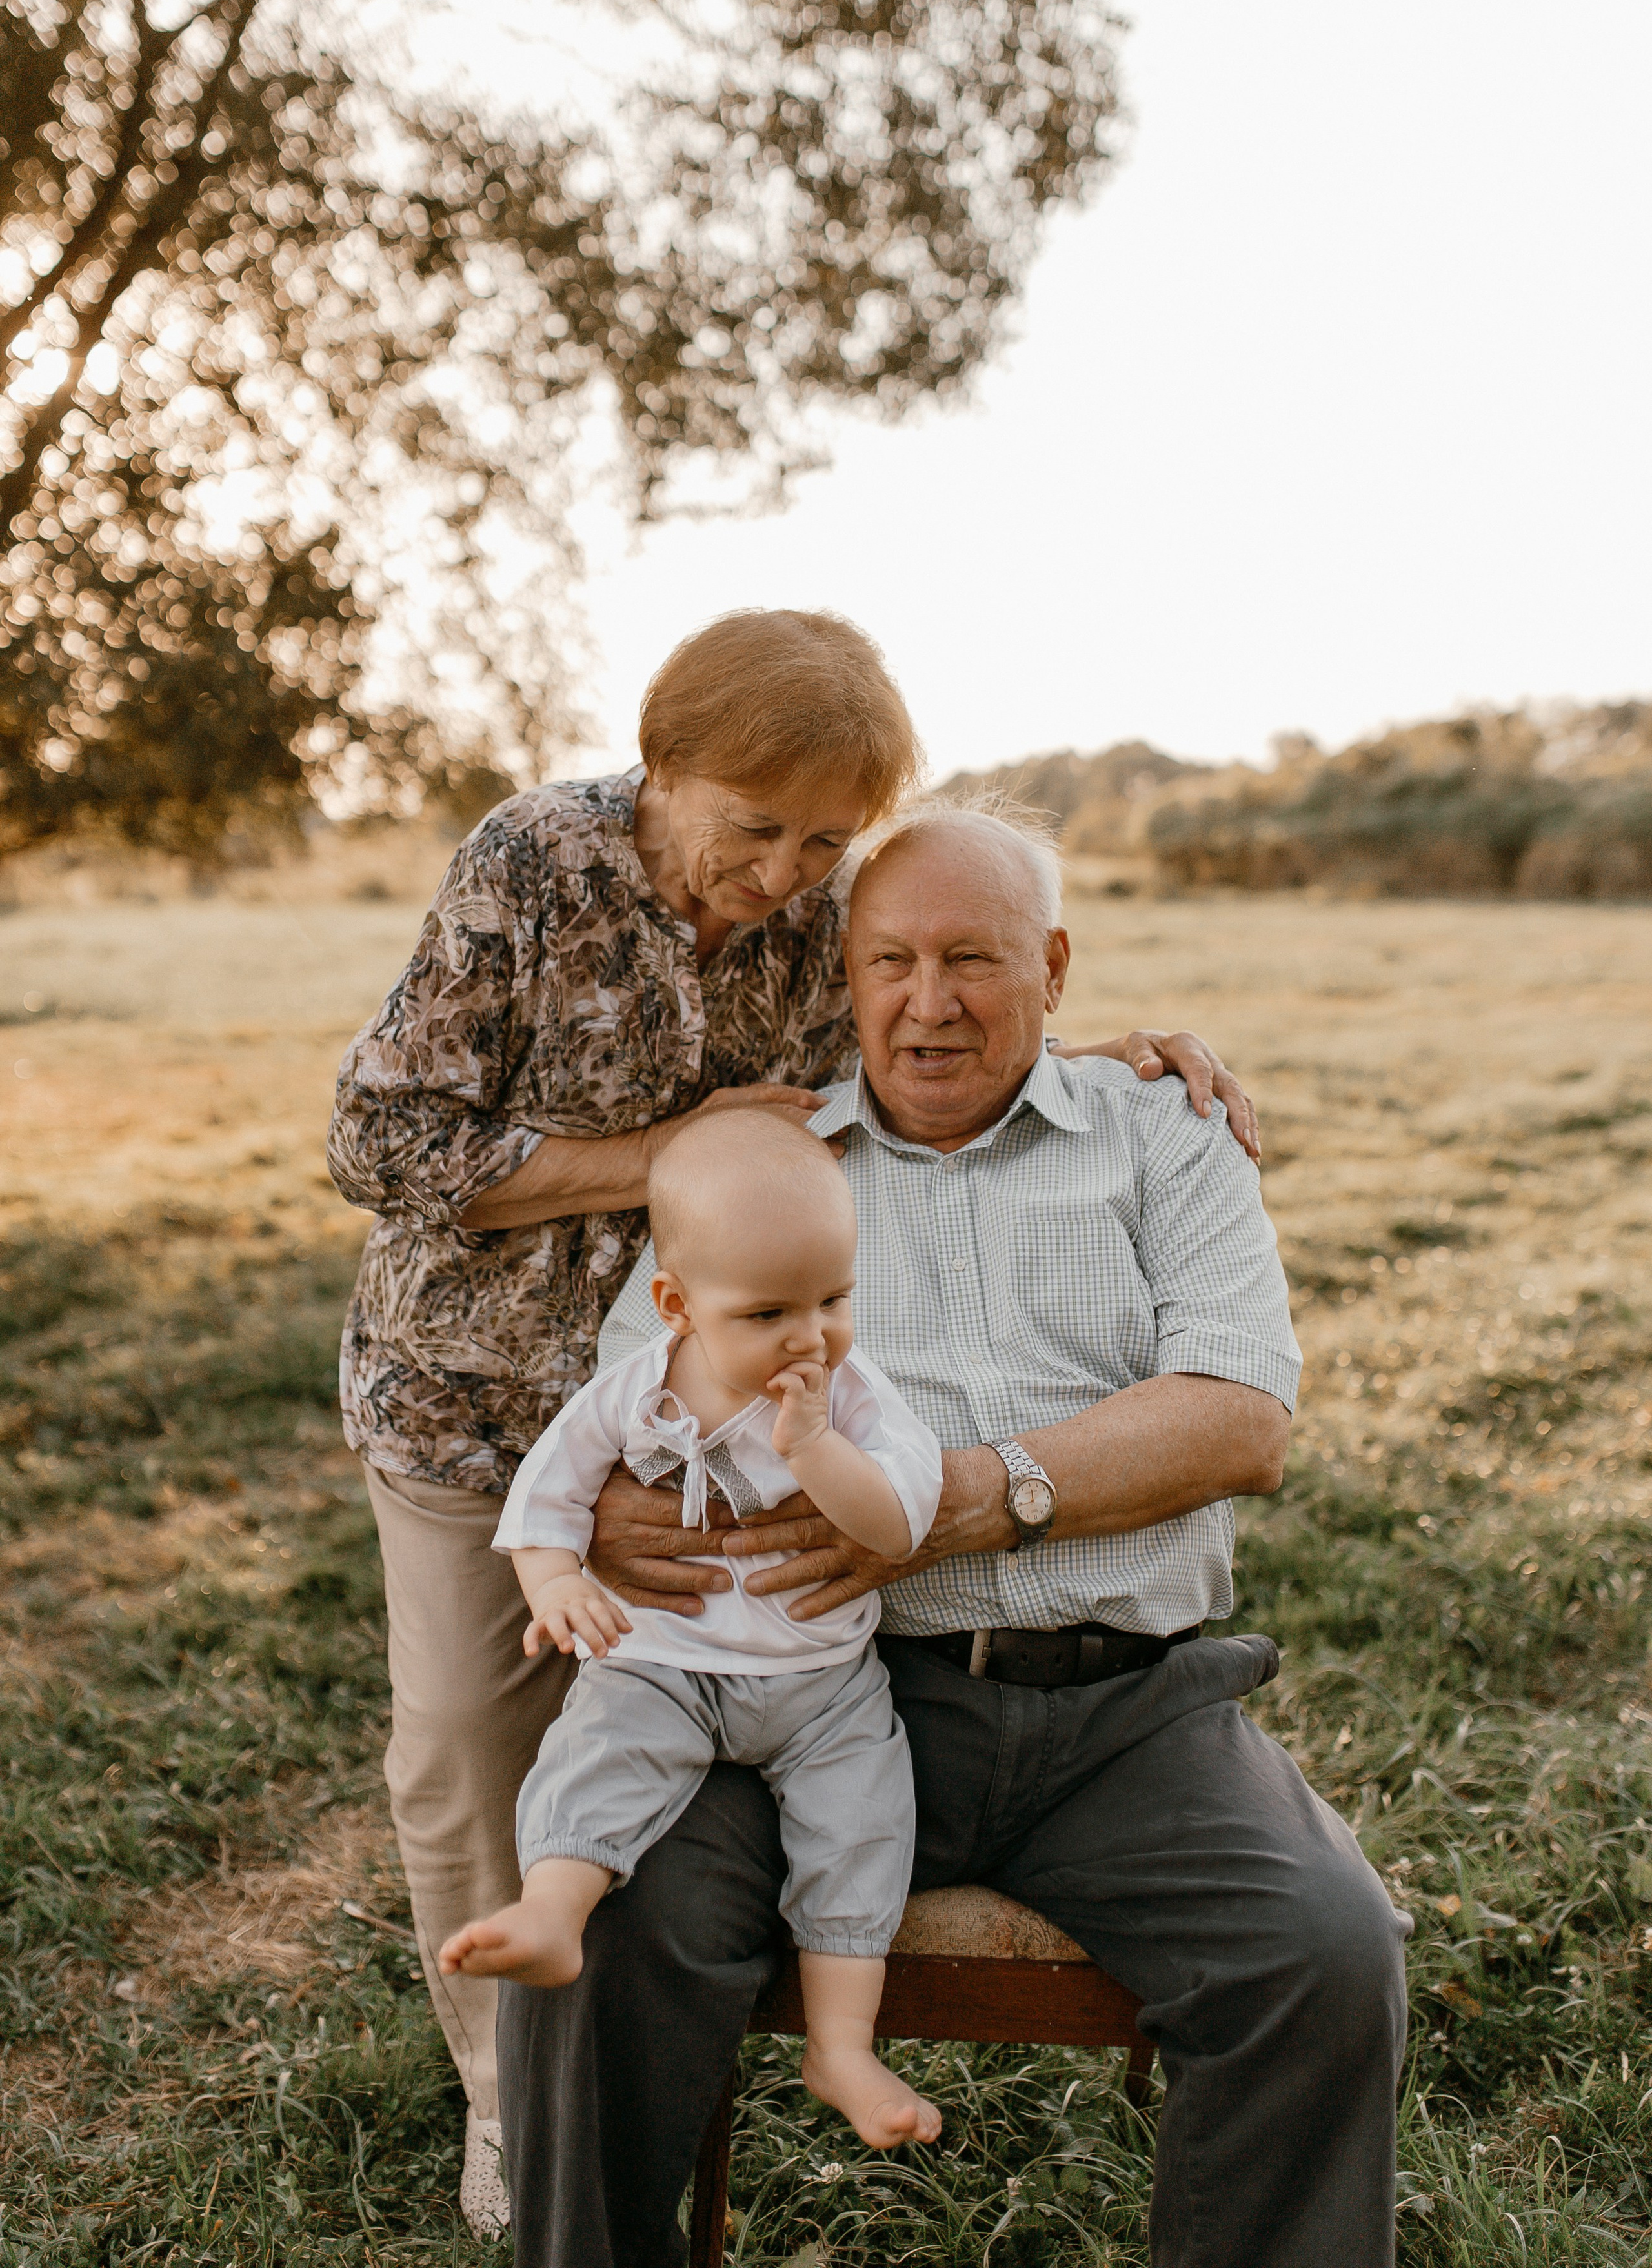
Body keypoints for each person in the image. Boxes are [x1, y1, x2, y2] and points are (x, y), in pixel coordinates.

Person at [325, 606, 1261, 2236]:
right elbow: (381, 1141)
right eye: (752, 828)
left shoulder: (820, 900)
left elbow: (921, 1021)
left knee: (669, 1719)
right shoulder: (537, 861)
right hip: (487, 1401)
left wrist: (1097, 1052)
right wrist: (674, 1151)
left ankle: (633, 2040)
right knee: (484, 1743)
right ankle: (508, 2099)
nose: (781, 873)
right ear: (662, 766)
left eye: (820, 838)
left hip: (741, 1393)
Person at [496, 802, 1412, 2268]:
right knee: (606, 1924)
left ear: (1052, 966)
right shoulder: (759, 1167)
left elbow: (1241, 1416)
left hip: (1125, 1707)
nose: (928, 1003)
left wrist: (960, 1503)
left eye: (974, 959)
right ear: (845, 978)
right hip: (820, 1698)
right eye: (890, 961)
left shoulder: (1162, 1133)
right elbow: (632, 1412)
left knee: (1323, 1955)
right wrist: (599, 1522)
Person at [436, 1107, 945, 2151]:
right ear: (677, 1305)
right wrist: (554, 1585)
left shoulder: (847, 1400)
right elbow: (547, 1500)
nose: (811, 1337)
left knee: (861, 1826)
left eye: (834, 1301)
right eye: (769, 1313)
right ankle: (553, 1912)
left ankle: (840, 2044)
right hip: (666, 1665)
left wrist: (816, 1452)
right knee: (599, 1752)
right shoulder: (631, 1393)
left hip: (822, 1688)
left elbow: (896, 1523)